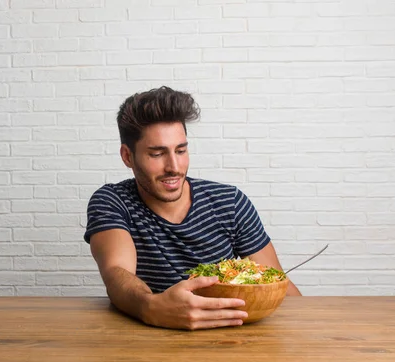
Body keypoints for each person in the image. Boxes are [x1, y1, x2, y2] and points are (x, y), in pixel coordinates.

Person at [84, 86, 301, 331]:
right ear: (127, 156)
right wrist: (151, 307)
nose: (174, 167)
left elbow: (276, 283)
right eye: (157, 154)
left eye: (181, 150)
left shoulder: (229, 201)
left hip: (227, 339)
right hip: (150, 341)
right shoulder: (113, 201)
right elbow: (117, 272)